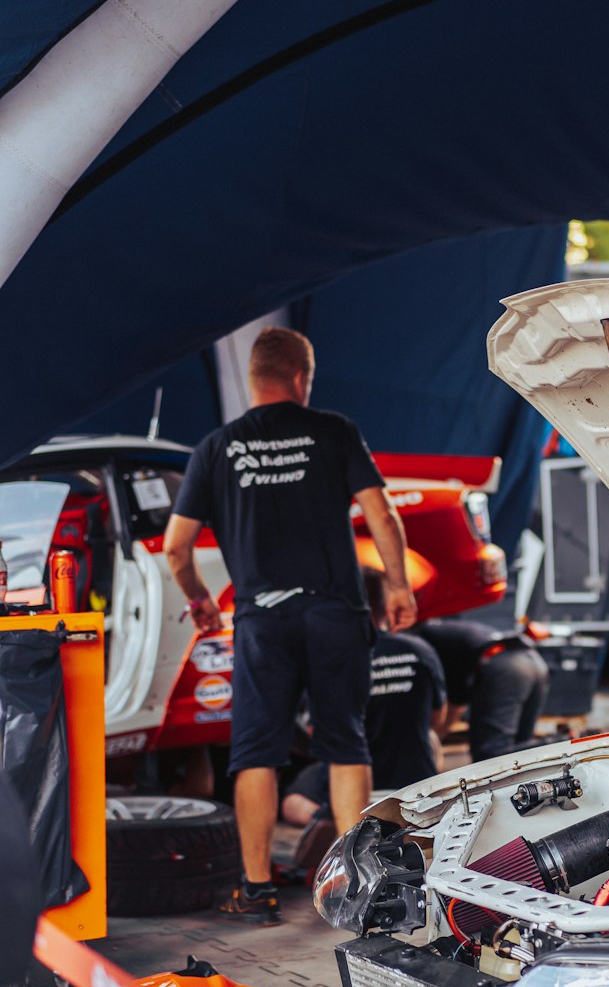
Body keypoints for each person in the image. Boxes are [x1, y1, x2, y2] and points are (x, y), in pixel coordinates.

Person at [163, 326, 416, 924]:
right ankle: (360, 885)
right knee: (344, 742)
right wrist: (399, 585)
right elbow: (380, 511)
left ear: (254, 379)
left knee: (256, 754)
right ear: (301, 378)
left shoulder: (216, 447)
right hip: (334, 612)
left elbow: (177, 547)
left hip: (262, 620)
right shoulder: (332, 431)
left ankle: (256, 892)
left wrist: (200, 599)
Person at [282, 570, 448, 864]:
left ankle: (333, 817)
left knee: (291, 801)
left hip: (353, 779)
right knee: (431, 738)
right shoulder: (419, 651)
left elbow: (316, 733)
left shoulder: (332, 658)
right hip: (412, 782)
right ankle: (418, 813)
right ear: (385, 605)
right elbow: (439, 717)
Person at [417, 617, 549, 762]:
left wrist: (432, 738)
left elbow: (454, 707)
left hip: (506, 665)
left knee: (489, 754)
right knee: (521, 748)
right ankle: (555, 743)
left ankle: (558, 742)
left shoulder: (420, 640)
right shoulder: (444, 634)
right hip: (534, 662)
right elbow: (457, 706)